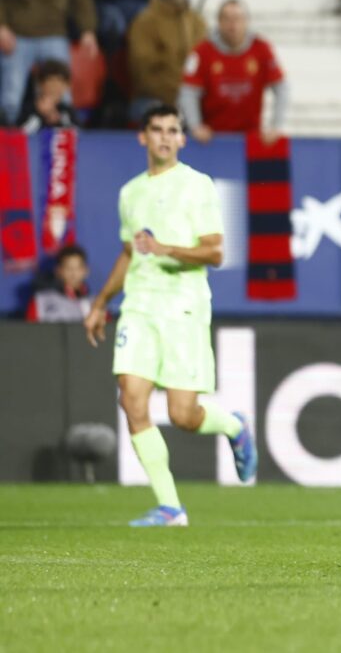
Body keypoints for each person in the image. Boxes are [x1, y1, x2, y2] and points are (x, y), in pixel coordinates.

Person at [83, 104, 258, 527]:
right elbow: (130, 252)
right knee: (132, 399)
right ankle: (170, 507)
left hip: (183, 306)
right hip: (139, 306)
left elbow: (215, 251)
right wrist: (101, 301)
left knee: (183, 415)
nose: (164, 137)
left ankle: (233, 427)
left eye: (173, 130)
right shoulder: (130, 193)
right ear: (143, 137)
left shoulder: (197, 186)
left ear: (182, 138)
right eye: (157, 129)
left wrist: (168, 250)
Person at [0, 0, 98, 124]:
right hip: (17, 31)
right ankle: (7, 145)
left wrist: (87, 28)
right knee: (9, 101)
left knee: (63, 98)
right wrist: (2, 25)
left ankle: (66, 142)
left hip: (54, 29)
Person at [179, 0, 288, 144]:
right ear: (219, 22)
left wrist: (276, 126)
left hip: (250, 138)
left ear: (246, 21)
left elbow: (281, 87)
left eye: (237, 19)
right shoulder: (202, 51)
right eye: (227, 19)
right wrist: (196, 126)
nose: (233, 25)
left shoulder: (261, 48)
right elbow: (188, 91)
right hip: (212, 140)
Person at [126, 0, 206, 119]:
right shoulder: (145, 21)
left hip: (192, 97)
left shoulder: (198, 22)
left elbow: (205, 65)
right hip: (155, 98)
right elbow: (142, 72)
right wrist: (177, 97)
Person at [26, 245, 93, 322]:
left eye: (77, 268)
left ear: (86, 271)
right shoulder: (41, 301)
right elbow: (29, 332)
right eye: (68, 268)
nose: (73, 273)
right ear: (58, 270)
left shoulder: (96, 303)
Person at [18, 59, 76, 133]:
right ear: (40, 84)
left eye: (59, 83)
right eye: (51, 82)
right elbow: (21, 132)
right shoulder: (29, 108)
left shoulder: (66, 110)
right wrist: (40, 114)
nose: (55, 88)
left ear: (67, 85)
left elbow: (79, 134)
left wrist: (58, 120)